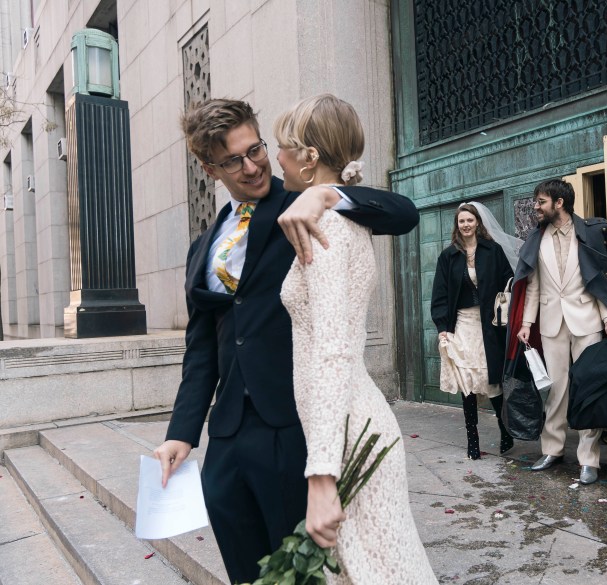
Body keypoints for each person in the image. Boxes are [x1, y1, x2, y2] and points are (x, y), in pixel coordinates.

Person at [152, 98, 419, 584]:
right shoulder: (203, 247)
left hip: (291, 429)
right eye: (234, 159)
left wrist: (331, 195)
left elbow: (403, 212)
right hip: (227, 437)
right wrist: (182, 432)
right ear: (209, 168)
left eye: (256, 149)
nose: (253, 165)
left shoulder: (304, 203)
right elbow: (203, 346)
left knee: (307, 574)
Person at [275, 94, 438, 583]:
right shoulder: (332, 219)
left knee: (377, 572)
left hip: (348, 433)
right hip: (346, 424)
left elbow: (333, 352)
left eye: (283, 145)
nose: (275, 155)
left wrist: (321, 473)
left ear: (308, 157)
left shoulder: (326, 228)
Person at [509, 179, 607, 485]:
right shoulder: (536, 239)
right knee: (556, 390)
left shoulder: (588, 232)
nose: (536, 207)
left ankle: (589, 460)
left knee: (589, 389)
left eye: (541, 201)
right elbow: (532, 286)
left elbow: (599, 279)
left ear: (559, 203)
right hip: (550, 322)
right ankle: (553, 450)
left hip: (586, 319)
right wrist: (526, 324)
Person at [430, 203, 517, 460]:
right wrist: (442, 328)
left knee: (492, 381)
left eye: (469, 220)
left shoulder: (494, 251)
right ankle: (473, 440)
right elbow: (440, 295)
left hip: (489, 324)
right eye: (461, 221)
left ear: (478, 222)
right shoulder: (448, 256)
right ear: (457, 225)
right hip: (463, 324)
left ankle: (505, 430)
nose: (465, 225)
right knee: (467, 383)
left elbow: (508, 282)